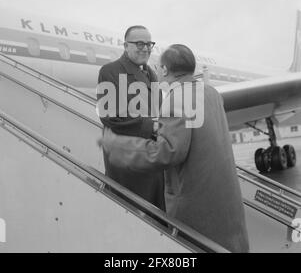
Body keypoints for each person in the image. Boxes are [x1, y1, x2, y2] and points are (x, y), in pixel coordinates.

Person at [101, 44, 250, 253]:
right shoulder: (211, 93)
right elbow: (194, 132)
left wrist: (118, 146)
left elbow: (166, 153)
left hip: (197, 210)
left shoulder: (176, 98)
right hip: (226, 205)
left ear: (163, 70)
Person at [96, 25, 165, 211]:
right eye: (139, 43)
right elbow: (109, 116)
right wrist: (152, 126)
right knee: (133, 213)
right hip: (128, 160)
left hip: (151, 156)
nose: (145, 48)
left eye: (149, 44)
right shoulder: (109, 71)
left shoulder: (151, 74)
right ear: (126, 46)